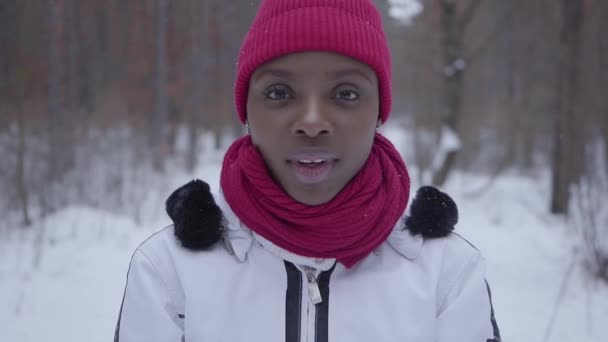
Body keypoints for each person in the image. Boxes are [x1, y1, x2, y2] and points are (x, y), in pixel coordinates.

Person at [114, 0, 501, 341]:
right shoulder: (169, 271)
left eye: (346, 93)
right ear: (246, 110)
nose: (312, 122)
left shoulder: (445, 272)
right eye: (279, 93)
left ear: (379, 111)